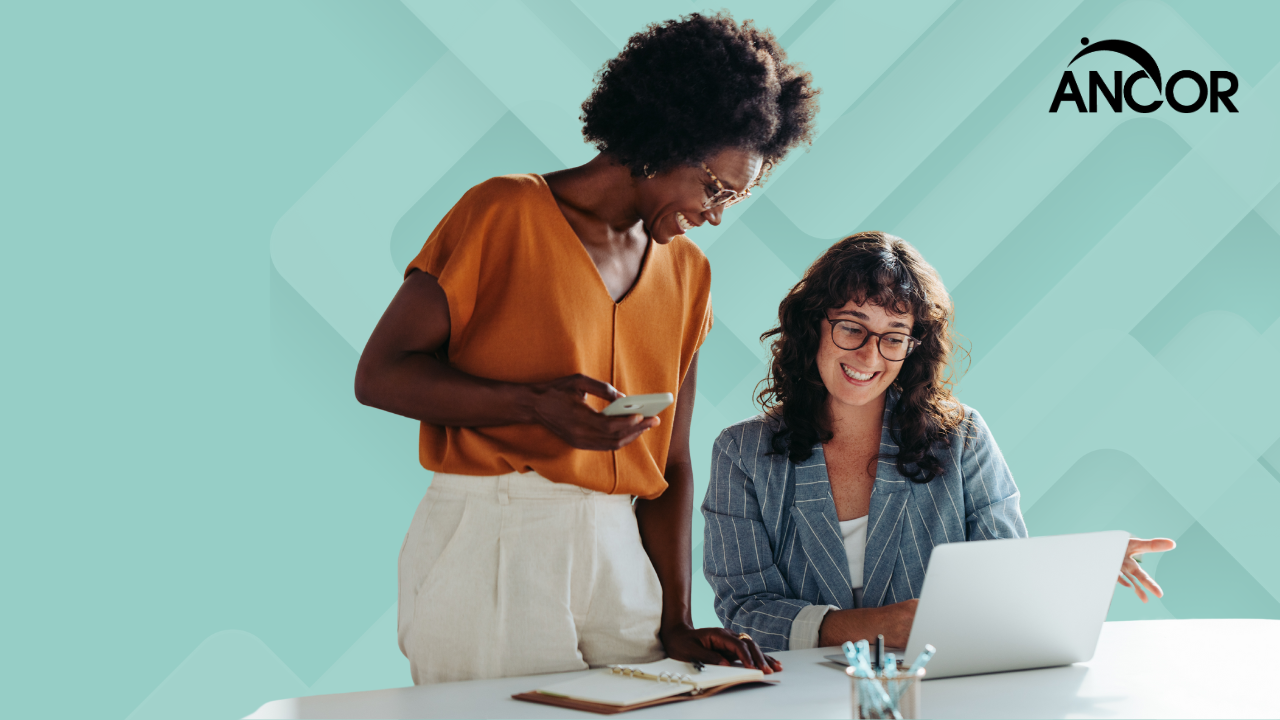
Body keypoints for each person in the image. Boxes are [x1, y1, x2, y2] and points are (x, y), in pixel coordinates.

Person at [354, 13, 819, 683]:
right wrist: (530, 406)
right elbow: (380, 375)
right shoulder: (503, 212)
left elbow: (672, 463)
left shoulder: (689, 274)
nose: (716, 213)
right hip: (496, 533)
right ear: (665, 140)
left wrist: (676, 620)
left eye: (736, 198)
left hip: (619, 548)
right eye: (714, 187)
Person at [701, 232, 1174, 652]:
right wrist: (873, 625)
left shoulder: (961, 437)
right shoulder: (741, 452)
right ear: (813, 326)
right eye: (851, 327)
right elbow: (745, 610)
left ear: (913, 348)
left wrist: (1078, 566)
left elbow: (1001, 578)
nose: (870, 354)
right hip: (800, 698)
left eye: (894, 337)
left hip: (940, 688)